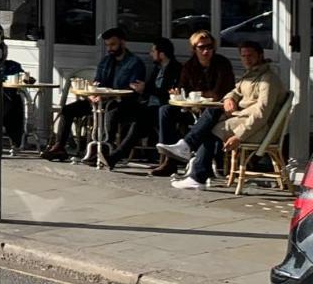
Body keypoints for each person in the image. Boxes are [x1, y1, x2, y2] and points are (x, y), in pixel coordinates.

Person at [159, 40, 285, 190]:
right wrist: (229, 99)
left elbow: (262, 114)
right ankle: (187, 149)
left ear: (261, 55)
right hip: (242, 118)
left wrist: (240, 136)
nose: (246, 59)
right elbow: (236, 90)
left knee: (210, 130)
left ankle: (196, 172)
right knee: (212, 112)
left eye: (250, 55)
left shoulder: (267, 80)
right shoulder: (250, 74)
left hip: (260, 128)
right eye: (243, 56)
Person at [41, 26, 145, 162]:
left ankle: (103, 150)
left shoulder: (135, 63)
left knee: (110, 112)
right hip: (99, 100)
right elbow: (98, 82)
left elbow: (133, 89)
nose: (110, 48)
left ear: (122, 42)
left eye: (113, 44)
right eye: (107, 45)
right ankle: (60, 146)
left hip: (121, 102)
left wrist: (111, 95)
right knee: (68, 110)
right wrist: (92, 93)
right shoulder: (106, 61)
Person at [149, 30, 237, 176]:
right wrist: (179, 94)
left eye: (209, 47)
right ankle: (168, 161)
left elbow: (220, 92)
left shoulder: (222, 64)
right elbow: (183, 88)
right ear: (194, 49)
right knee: (165, 110)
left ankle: (187, 147)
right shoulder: (189, 66)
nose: (206, 51)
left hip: (216, 111)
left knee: (211, 112)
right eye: (201, 47)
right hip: (193, 109)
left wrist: (198, 95)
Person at [104, 37, 182, 169]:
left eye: (153, 51)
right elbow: (150, 89)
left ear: (161, 54)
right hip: (148, 106)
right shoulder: (158, 68)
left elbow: (169, 93)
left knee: (138, 123)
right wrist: (140, 89)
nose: (151, 54)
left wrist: (146, 88)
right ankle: (105, 147)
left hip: (162, 109)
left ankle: (115, 156)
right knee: (115, 110)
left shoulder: (175, 69)